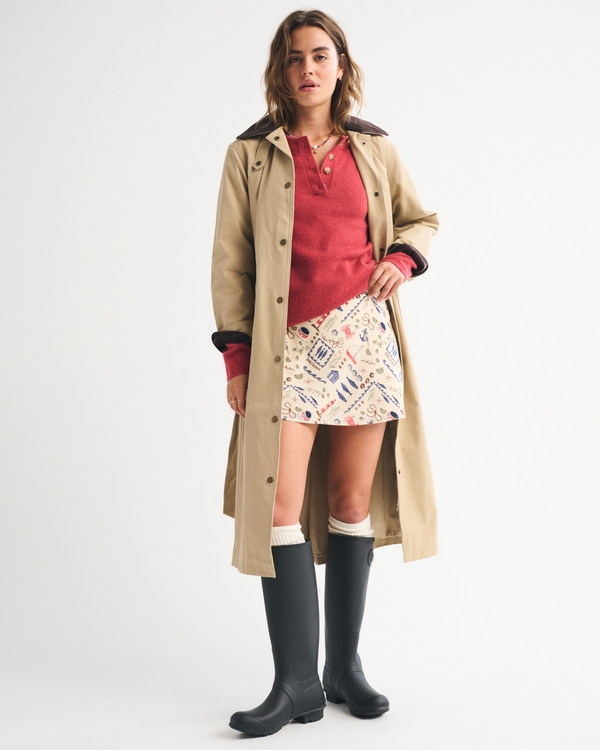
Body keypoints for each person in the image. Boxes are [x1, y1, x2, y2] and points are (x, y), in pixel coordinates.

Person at [210, 9, 439, 737]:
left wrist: (401, 258)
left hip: (363, 343)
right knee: (278, 506)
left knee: (350, 500)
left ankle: (342, 669)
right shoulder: (249, 154)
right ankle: (296, 683)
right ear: (279, 72)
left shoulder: (375, 148)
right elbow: (231, 263)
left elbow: (420, 219)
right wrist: (237, 359)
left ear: (341, 65)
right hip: (285, 351)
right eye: (293, 58)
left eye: (319, 55)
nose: (306, 69)